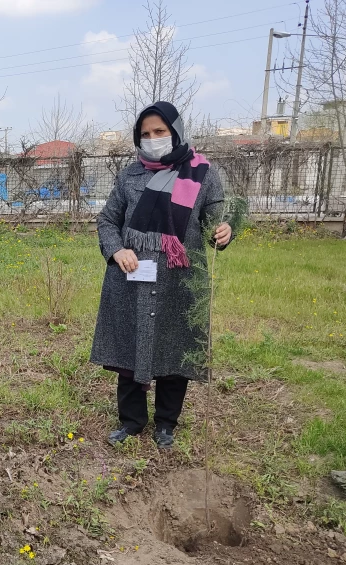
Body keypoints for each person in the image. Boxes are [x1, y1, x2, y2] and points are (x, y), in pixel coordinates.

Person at [90, 101, 232, 448]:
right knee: (129, 352)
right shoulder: (129, 176)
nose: (152, 139)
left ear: (176, 131)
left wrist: (226, 230)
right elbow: (108, 220)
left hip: (178, 282)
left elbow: (218, 218)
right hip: (131, 279)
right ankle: (132, 421)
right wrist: (116, 249)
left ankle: (166, 423)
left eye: (160, 131)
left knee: (173, 354)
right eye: (146, 134)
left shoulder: (203, 174)